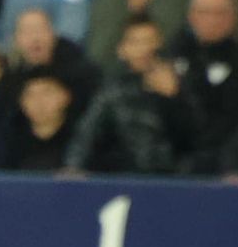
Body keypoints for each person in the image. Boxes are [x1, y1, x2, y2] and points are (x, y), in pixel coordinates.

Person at [66, 16, 198, 174]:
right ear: (122, 49)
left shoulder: (181, 82)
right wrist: (73, 166)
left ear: (160, 43)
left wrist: (174, 98)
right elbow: (87, 134)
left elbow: (195, 138)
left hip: (173, 177)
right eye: (135, 42)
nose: (144, 49)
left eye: (149, 40)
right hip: (124, 177)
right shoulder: (111, 90)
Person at [165, 0, 238, 174]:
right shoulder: (171, 53)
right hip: (169, 154)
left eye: (220, 13)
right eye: (204, 12)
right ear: (191, 16)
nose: (212, 20)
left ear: (232, 18)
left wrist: (178, 92)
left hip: (219, 159)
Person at [6, 71, 76, 170]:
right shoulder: (7, 140)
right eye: (30, 95)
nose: (39, 101)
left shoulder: (83, 140)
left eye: (47, 93)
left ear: (66, 96)